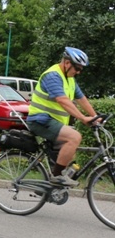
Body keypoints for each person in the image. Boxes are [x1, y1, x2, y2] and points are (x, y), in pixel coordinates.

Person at [27, 46, 99, 187]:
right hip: (40, 120)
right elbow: (63, 100)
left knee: (69, 154)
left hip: (52, 122)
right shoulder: (53, 76)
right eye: (77, 68)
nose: (78, 72)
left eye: (80, 70)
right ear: (67, 63)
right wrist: (83, 119)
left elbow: (81, 99)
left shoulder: (69, 79)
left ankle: (47, 189)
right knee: (74, 137)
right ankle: (56, 177)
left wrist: (95, 116)